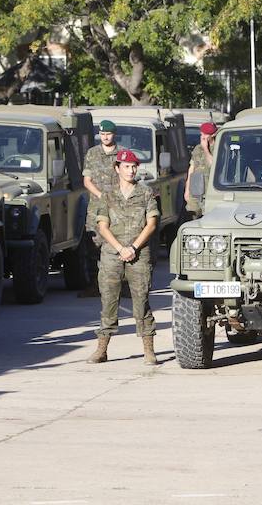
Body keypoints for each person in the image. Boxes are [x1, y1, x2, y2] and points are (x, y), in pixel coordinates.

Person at [87, 149, 160, 365]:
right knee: (108, 302)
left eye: (134, 166)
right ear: (117, 168)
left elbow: (152, 223)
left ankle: (148, 350)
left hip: (139, 254)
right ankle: (102, 349)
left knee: (141, 302)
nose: (131, 170)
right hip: (112, 254)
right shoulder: (107, 196)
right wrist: (120, 248)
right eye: (126, 166)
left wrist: (134, 247)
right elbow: (102, 226)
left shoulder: (146, 193)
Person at [80, 120, 121, 297]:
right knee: (93, 247)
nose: (105, 137)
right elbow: (87, 180)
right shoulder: (92, 153)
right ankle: (94, 285)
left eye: (108, 134)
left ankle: (120, 286)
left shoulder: (121, 155)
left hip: (117, 208)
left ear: (114, 134)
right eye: (102, 134)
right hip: (96, 208)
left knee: (118, 245)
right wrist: (101, 195)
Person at [185, 122, 217, 218]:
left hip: (209, 191)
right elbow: (191, 169)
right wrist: (187, 190)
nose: (202, 136)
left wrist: (206, 149)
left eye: (205, 134)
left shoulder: (218, 148)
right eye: (201, 134)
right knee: (192, 216)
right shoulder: (197, 149)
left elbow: (213, 165)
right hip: (195, 190)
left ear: (213, 135)